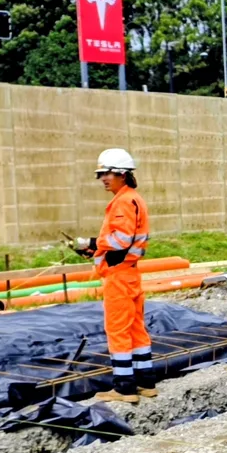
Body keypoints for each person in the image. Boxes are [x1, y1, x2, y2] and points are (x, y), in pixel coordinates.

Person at [75, 149, 156, 403]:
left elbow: (120, 240)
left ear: (121, 174)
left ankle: (124, 388)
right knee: (135, 329)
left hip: (119, 276)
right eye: (101, 175)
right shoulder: (134, 198)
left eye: (106, 173)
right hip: (130, 273)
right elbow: (125, 242)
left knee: (117, 329)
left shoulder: (122, 202)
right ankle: (145, 382)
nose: (103, 179)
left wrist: (94, 241)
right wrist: (97, 249)